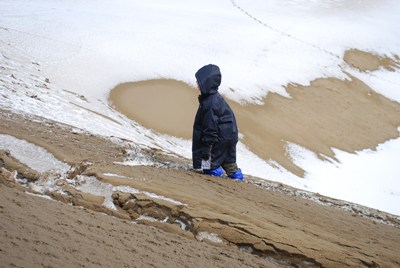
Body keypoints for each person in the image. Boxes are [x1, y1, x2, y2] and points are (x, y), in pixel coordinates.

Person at [192, 64, 243, 180]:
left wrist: (206, 149)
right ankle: (237, 176)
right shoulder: (214, 98)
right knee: (228, 160)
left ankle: (215, 173)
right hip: (229, 135)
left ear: (206, 83)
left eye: (199, 82)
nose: (197, 85)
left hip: (220, 138)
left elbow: (210, 128)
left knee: (208, 163)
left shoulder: (210, 103)